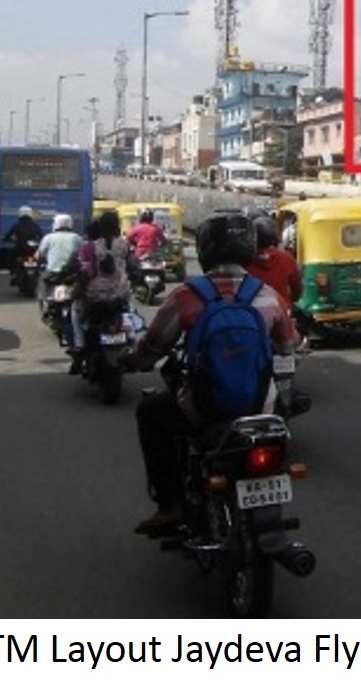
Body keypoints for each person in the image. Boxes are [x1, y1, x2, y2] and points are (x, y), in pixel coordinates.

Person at [128, 212, 298, 534]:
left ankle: (171, 505)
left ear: (206, 250)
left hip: (202, 409)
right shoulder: (267, 295)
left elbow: (153, 347)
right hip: (259, 406)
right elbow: (289, 346)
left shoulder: (187, 296)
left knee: (151, 412)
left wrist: (134, 361)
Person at [69, 210, 133, 370]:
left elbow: (85, 273)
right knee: (129, 310)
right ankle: (131, 337)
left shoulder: (90, 247)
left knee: (75, 311)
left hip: (95, 298)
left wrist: (75, 293)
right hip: (119, 295)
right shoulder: (124, 245)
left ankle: (79, 344)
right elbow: (131, 266)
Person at [247, 214, 302, 308]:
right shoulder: (286, 259)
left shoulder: (245, 260)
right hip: (281, 312)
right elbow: (297, 292)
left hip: (253, 315)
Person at [3, 206, 43, 285]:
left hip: (20, 250)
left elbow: (7, 237)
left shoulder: (16, 225)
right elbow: (41, 236)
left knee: (11, 258)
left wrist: (8, 240)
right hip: (33, 250)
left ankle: (13, 273)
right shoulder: (35, 225)